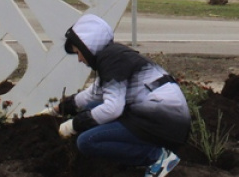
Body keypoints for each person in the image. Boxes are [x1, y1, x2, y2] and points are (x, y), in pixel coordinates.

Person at [54, 13, 191, 177]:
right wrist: (58, 109)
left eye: (78, 52)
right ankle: (137, 155)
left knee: (87, 141)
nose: (79, 59)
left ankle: (157, 156)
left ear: (87, 47)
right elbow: (93, 95)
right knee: (92, 108)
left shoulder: (111, 60)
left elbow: (113, 109)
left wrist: (75, 125)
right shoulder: (113, 56)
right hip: (163, 119)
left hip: (163, 121)